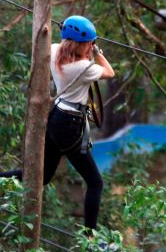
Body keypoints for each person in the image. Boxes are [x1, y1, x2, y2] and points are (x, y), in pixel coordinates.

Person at [0, 15, 115, 231]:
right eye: (88, 43)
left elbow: (62, 43)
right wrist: (98, 53)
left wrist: (87, 43)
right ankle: (90, 235)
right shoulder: (83, 67)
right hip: (69, 126)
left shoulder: (52, 50)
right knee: (95, 182)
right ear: (78, 44)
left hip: (56, 119)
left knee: (39, 178)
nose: (91, 46)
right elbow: (110, 72)